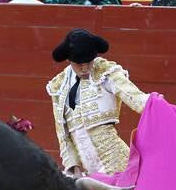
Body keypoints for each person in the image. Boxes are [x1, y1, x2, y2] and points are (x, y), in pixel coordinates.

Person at [46, 29, 150, 176]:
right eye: (79, 64)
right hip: (87, 172)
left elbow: (136, 99)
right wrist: (73, 166)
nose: (85, 68)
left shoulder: (105, 72)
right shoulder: (59, 85)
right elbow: (62, 133)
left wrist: (156, 104)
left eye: (89, 62)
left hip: (116, 162)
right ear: (68, 60)